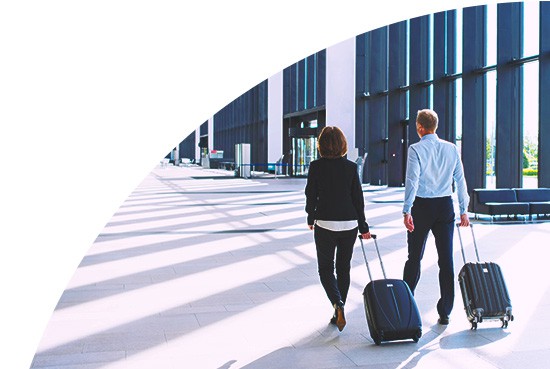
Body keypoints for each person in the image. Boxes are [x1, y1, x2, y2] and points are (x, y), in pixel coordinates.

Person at [402, 109, 470, 326]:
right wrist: (463, 209)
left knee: (414, 257)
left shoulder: (416, 149)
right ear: (435, 126)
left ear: (420, 127)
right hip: (445, 207)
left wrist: (407, 210)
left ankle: (406, 304)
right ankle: (446, 311)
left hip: (422, 206)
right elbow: (460, 180)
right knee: (446, 259)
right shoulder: (451, 148)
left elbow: (412, 180)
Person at [305, 126, 371, 332]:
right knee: (344, 267)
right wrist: (363, 226)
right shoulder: (351, 167)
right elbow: (358, 199)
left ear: (321, 145)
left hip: (324, 222)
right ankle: (338, 309)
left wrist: (310, 216)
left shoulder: (316, 166)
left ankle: (337, 303)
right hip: (349, 223)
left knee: (325, 268)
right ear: (343, 144)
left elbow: (311, 195)